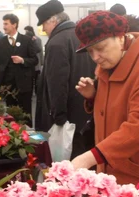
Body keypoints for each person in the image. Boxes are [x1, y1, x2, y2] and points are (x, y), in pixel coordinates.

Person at [72, 11, 139, 184]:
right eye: (90, 51)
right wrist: (93, 97)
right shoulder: (108, 63)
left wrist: (90, 158)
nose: (95, 57)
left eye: (100, 48)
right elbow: (116, 107)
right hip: (110, 171)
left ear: (120, 37)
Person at [35, 0, 96, 159]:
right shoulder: (80, 36)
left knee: (67, 161)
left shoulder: (56, 42)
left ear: (53, 21)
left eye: (44, 25)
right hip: (84, 109)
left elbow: (57, 83)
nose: (43, 29)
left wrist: (59, 117)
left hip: (67, 117)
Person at [0, 14, 38, 123]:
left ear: (14, 24)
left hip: (24, 84)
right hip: (8, 86)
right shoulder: (0, 42)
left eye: (6, 24)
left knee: (26, 113)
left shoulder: (26, 40)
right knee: (10, 114)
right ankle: (12, 136)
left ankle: (27, 136)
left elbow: (35, 60)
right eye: (3, 24)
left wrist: (22, 60)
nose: (4, 26)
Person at [24, 25, 43, 92]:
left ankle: (33, 91)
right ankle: (37, 92)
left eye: (26, 31)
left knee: (32, 79)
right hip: (37, 63)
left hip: (32, 63)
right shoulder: (38, 39)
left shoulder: (33, 39)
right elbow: (40, 52)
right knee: (36, 79)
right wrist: (42, 62)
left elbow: (38, 50)